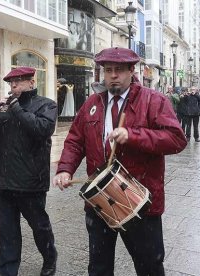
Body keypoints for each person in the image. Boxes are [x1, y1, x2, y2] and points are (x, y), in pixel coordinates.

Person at [53, 47, 187, 276]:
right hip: (99, 200)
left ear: (131, 71)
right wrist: (65, 169)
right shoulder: (92, 103)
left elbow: (176, 139)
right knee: (99, 266)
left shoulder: (153, 100)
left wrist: (133, 136)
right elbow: (75, 140)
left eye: (119, 70)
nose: (113, 75)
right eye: (108, 70)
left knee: (149, 266)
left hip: (139, 201)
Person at [0, 67, 58, 276]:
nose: (14, 86)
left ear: (32, 83)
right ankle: (7, 270)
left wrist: (15, 108)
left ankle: (50, 257)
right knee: (7, 231)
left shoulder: (46, 104)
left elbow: (41, 129)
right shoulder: (5, 108)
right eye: (11, 82)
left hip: (31, 181)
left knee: (39, 227)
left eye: (19, 81)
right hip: (4, 180)